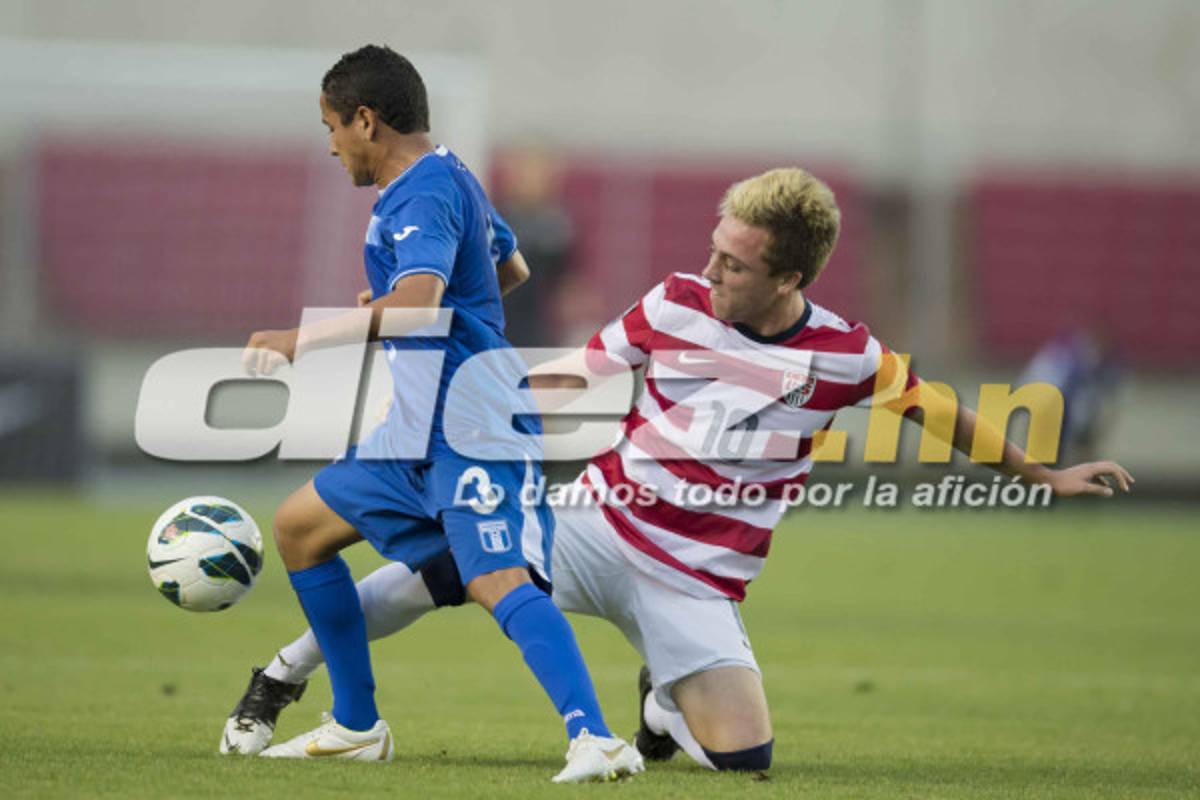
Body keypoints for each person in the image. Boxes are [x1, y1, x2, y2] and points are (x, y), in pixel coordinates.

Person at [224, 167, 1133, 773]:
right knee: (448, 570)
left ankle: (661, 710)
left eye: (733, 264)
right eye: (713, 248)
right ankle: (287, 671)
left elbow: (939, 413)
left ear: (791, 277)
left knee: (746, 766)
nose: (710, 271)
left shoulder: (846, 357)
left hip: (695, 584)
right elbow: (580, 371)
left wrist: (1040, 475)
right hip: (595, 521)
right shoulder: (674, 301)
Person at [227, 44, 642, 783]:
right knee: (299, 529)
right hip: (411, 432)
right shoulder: (453, 174)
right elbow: (508, 270)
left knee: (498, 582)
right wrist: (410, 305)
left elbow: (419, 303)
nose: (329, 146)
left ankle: (598, 738)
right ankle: (355, 726)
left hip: (470, 421)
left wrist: (303, 338)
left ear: (366, 120)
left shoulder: (419, 191)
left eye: (331, 127)